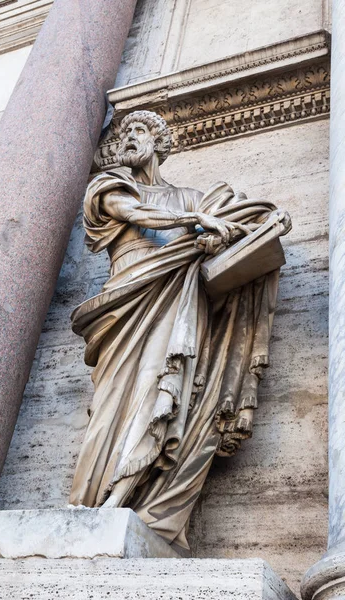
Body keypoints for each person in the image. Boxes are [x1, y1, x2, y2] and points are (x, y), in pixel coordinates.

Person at [69, 110, 290, 553]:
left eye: (139, 131)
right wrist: (199, 224)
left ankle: (128, 500)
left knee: (164, 392)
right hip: (128, 301)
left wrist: (263, 223)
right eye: (123, 133)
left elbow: (233, 230)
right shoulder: (111, 187)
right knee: (115, 400)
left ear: (160, 143)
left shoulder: (192, 198)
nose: (129, 140)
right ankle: (88, 501)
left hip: (181, 299)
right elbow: (133, 212)